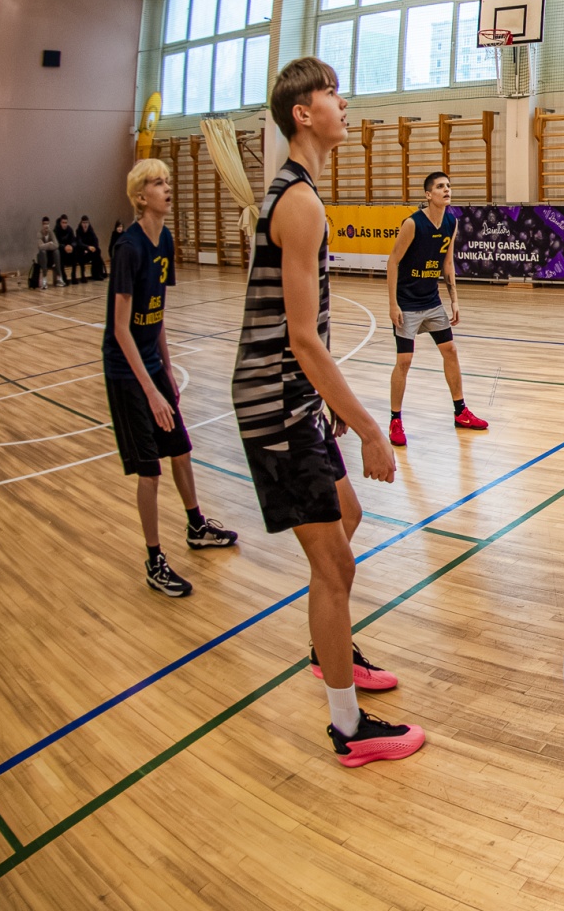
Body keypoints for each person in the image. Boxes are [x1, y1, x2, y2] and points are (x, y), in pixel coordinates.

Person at [232, 58, 424, 768]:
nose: (345, 103)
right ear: (303, 113)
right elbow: (302, 338)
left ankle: (327, 647)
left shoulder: (300, 193)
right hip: (276, 402)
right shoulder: (300, 203)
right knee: (335, 565)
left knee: (347, 516)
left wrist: (324, 400)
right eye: (332, 94)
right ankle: (348, 728)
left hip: (294, 396)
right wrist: (371, 427)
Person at [104, 159, 238, 597]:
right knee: (150, 471)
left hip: (152, 367)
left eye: (167, 180)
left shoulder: (165, 240)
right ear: (141, 197)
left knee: (181, 449)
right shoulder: (128, 248)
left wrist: (166, 372)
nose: (166, 187)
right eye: (157, 182)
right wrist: (150, 390)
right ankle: (154, 560)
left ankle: (196, 526)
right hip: (126, 372)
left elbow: (156, 313)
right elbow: (121, 328)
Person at [383, 172, 487, 447]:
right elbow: (392, 262)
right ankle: (395, 420)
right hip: (407, 302)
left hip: (431, 301)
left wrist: (454, 299)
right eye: (440, 187)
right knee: (404, 361)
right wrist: (393, 304)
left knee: (450, 350)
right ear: (428, 195)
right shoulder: (412, 224)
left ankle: (460, 412)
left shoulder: (451, 222)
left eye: (448, 186)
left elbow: (447, 263)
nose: (446, 189)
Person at [74, 215, 105, 282]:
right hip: (82, 252)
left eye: (86, 223)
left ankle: (96, 274)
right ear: (81, 223)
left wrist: (94, 247)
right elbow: (79, 243)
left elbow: (96, 240)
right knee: (80, 253)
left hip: (89, 252)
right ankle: (83, 276)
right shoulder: (78, 231)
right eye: (84, 223)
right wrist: (87, 247)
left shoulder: (90, 230)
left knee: (97, 251)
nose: (85, 225)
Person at [35, 217, 63, 287]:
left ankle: (59, 278)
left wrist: (46, 246)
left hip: (50, 257)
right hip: (42, 258)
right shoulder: (39, 233)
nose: (46, 226)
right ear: (42, 225)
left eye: (47, 224)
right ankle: (44, 279)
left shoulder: (51, 233)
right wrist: (49, 244)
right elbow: (40, 247)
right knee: (43, 252)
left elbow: (56, 245)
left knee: (56, 251)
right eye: (45, 224)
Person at [56, 216, 80, 282]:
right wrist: (64, 247)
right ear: (60, 223)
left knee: (75, 251)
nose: (64, 224)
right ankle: (64, 277)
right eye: (63, 222)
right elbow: (56, 244)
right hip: (61, 252)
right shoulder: (56, 230)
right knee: (58, 253)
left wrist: (71, 246)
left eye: (66, 222)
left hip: (69, 251)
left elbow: (74, 241)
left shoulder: (69, 230)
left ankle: (73, 275)